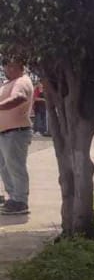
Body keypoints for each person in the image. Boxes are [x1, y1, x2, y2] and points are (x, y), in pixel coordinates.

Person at [0, 55, 35, 216]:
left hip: (16, 132)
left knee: (15, 167)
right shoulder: (9, 83)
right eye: (5, 66)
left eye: (8, 66)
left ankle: (20, 201)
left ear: (17, 66)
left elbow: (19, 98)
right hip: (6, 133)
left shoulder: (22, 81)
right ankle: (13, 198)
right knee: (5, 167)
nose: (5, 69)